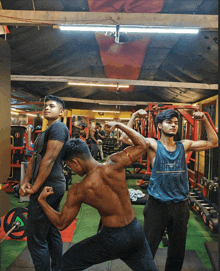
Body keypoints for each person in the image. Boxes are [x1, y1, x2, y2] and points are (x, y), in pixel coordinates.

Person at [37, 122, 158, 271]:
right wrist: (119, 125)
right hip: (136, 231)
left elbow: (61, 223)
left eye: (70, 166)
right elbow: (143, 144)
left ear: (75, 161)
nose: (72, 170)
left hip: (112, 239)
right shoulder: (115, 162)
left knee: (66, 263)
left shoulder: (79, 189)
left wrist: (42, 201)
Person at [120, 109, 218, 271]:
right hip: (156, 206)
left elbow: (214, 142)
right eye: (169, 122)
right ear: (159, 125)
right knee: (147, 249)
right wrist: (134, 116)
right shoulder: (152, 144)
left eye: (176, 123)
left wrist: (205, 120)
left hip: (180, 206)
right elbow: (124, 138)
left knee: (177, 251)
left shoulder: (184, 145)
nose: (173, 125)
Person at [19, 95, 70, 271]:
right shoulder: (44, 132)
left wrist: (34, 187)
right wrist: (26, 181)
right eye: (45, 106)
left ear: (61, 112)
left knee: (35, 237)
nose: (47, 108)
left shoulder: (58, 128)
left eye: (52, 106)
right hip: (44, 184)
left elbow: (48, 160)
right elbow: (35, 157)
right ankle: (57, 268)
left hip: (49, 186)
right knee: (49, 231)